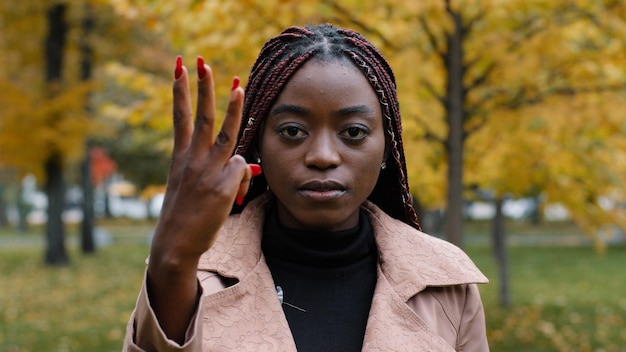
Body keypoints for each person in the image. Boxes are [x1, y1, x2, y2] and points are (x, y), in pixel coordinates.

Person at [123, 23, 489, 352]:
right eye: (292, 131)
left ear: (387, 147)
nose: (323, 156)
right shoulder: (193, 274)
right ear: (258, 145)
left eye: (354, 132)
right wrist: (172, 262)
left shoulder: (447, 283)